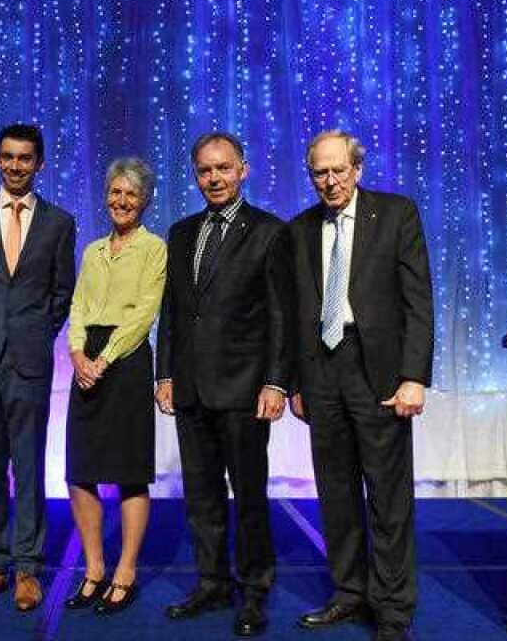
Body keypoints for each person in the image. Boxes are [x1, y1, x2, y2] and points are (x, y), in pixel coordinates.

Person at [288, 131, 434, 641]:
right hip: (321, 371)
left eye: (338, 170)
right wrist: (295, 381)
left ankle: (392, 611)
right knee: (336, 492)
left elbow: (418, 301)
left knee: (388, 497)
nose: (329, 181)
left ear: (357, 169)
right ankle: (349, 593)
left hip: (380, 373)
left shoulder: (396, 214)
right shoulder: (299, 229)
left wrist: (414, 377)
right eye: (319, 173)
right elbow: (293, 312)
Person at [155, 131, 293, 637]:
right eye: (205, 170)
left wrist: (276, 382)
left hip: (244, 389)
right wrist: (165, 373)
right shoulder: (181, 232)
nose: (214, 178)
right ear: (196, 175)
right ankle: (211, 582)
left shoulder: (270, 232)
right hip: (191, 389)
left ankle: (254, 590)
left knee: (250, 497)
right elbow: (173, 312)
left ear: (243, 170)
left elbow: (281, 314)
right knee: (202, 496)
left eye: (223, 168)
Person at [0, 123, 76, 611]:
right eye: (8, 157)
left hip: (29, 360)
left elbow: (61, 292)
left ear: (39, 163)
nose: (16, 165)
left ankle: (27, 568)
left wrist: (34, 332)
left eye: (25, 158)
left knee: (28, 467)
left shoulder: (59, 222)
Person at [63, 158, 166, 615]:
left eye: (131, 194)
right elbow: (78, 305)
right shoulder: (92, 251)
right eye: (115, 192)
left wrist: (103, 359)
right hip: (86, 360)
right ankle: (94, 570)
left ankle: (125, 571)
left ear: (145, 201)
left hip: (126, 360)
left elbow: (145, 313)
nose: (122, 201)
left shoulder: (154, 248)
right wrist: (77, 354)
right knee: (79, 469)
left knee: (129, 470)